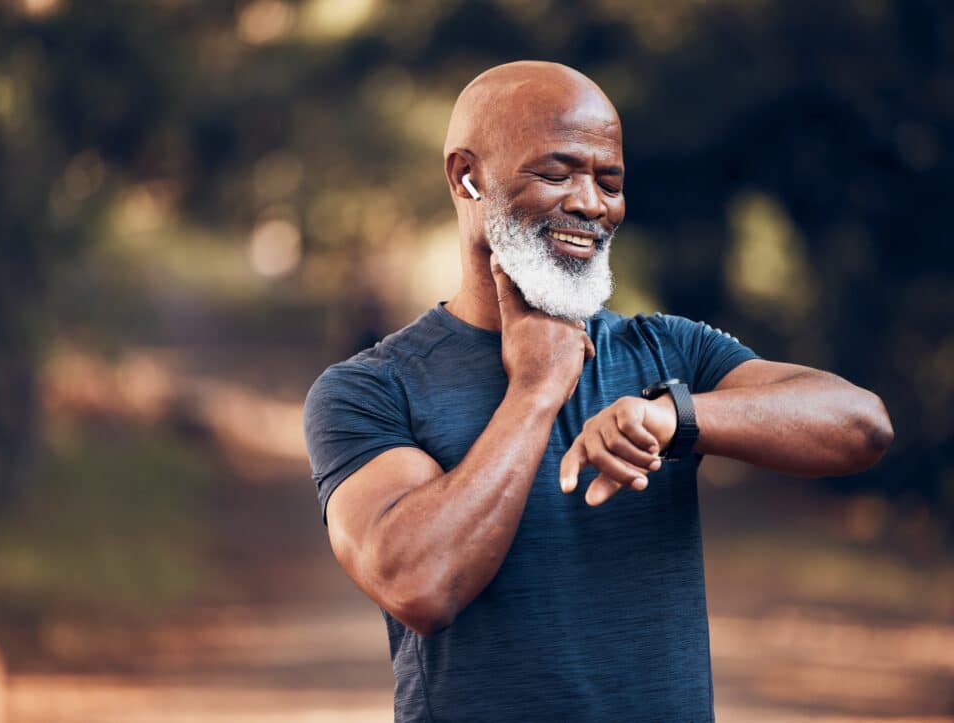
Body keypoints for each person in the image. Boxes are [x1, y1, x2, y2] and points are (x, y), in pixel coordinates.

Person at [302, 61, 894, 722]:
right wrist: (533, 391)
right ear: (466, 175)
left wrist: (675, 416)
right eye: (556, 173)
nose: (590, 203)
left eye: (608, 180)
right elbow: (420, 583)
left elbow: (861, 424)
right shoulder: (370, 388)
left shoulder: (667, 351)